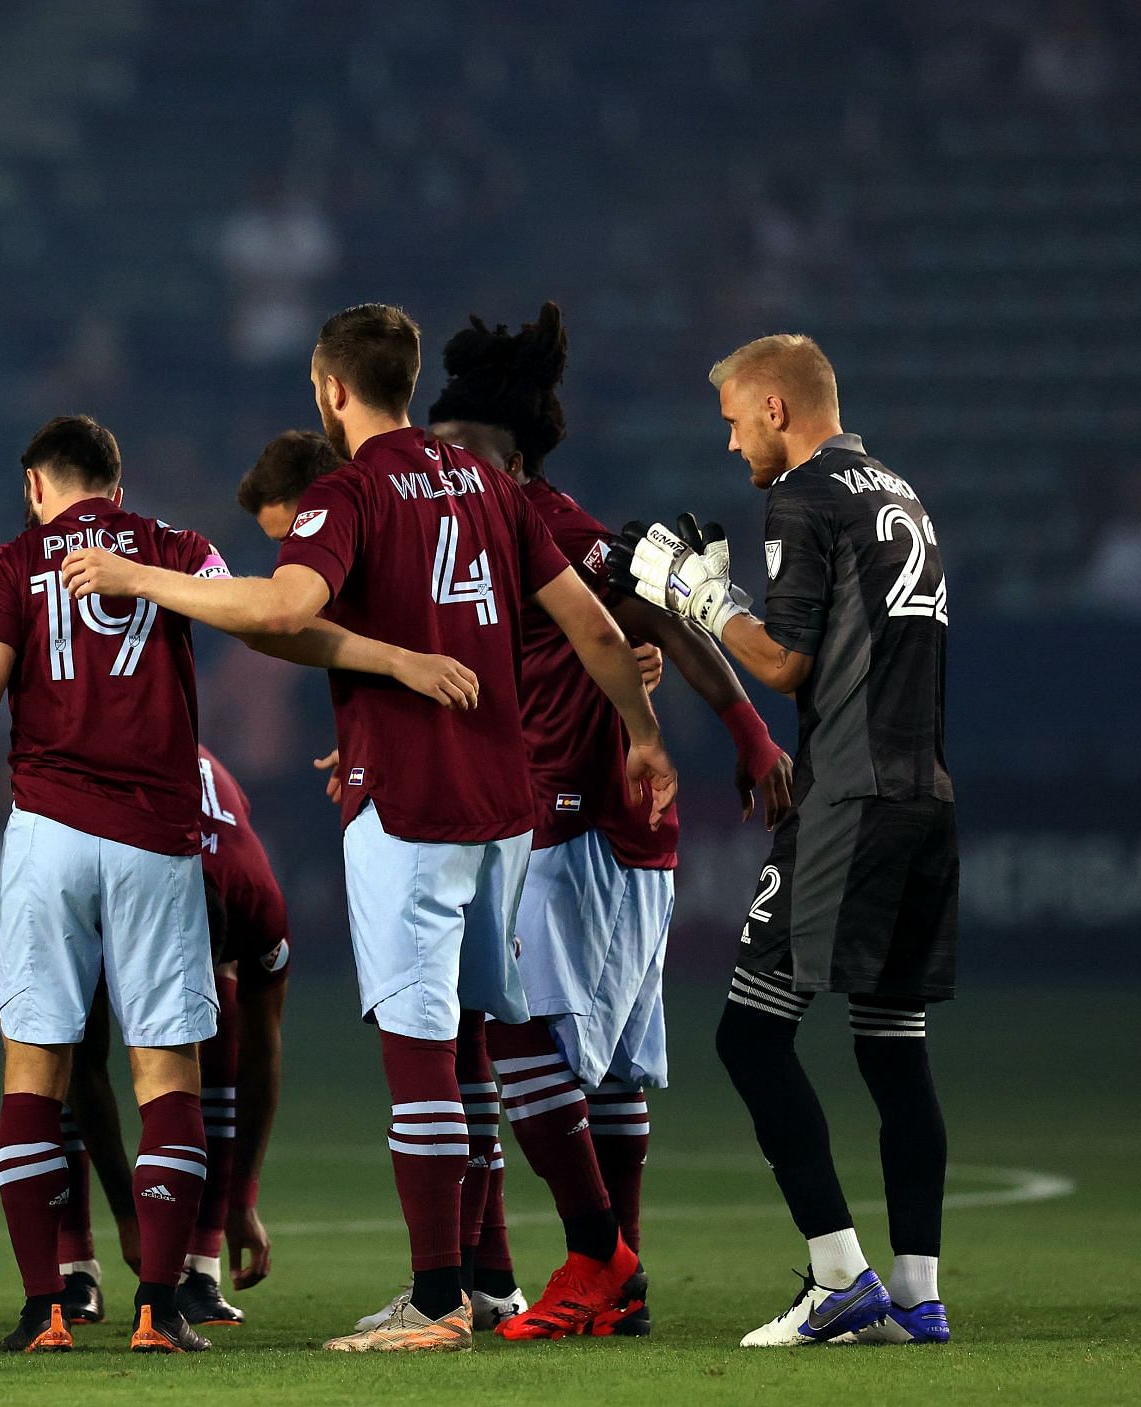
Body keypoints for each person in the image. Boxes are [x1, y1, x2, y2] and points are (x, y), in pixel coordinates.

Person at [59, 303, 678, 1353]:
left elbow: (286, 608)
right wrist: (646, 735)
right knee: (509, 1041)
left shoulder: (350, 491)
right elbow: (596, 626)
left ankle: (436, 1299)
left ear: (329, 389)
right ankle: (589, 1255)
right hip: (505, 810)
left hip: (411, 805)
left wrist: (136, 579)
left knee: (423, 1048)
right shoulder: (492, 484)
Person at [0, 414, 462, 1355]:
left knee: (36, 1069)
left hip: (48, 834)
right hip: (156, 836)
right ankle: (159, 1306)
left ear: (34, 486)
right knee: (165, 1074)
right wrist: (392, 658)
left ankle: (45, 1307)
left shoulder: (8, 562)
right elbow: (279, 628)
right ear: (119, 481)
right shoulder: (179, 551)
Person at [427, 304, 793, 1340]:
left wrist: (748, 734)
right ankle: (616, 1289)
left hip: (576, 823)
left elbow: (662, 616)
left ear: (514, 455)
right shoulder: (483, 541)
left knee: (517, 1029)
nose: (445, 465)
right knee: (620, 1066)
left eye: (463, 449)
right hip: (607, 827)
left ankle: (599, 1256)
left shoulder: (559, 531)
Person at [614, 333, 956, 1347]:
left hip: (846, 799)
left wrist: (695, 592)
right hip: (924, 795)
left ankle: (838, 1276)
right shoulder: (896, 492)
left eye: (732, 423)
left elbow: (790, 668)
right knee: (894, 1049)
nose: (732, 447)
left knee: (750, 1036)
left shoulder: (803, 494)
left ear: (775, 407)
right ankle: (918, 1293)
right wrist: (732, 597)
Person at [54, 744, 291, 1331]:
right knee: (54, 1050)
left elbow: (259, 1061)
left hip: (190, 857)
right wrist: (127, 1217)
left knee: (216, 1043)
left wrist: (243, 1198)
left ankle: (199, 1269)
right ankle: (74, 1268)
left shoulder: (259, 908)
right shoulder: (107, 890)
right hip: (104, 845)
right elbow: (85, 1065)